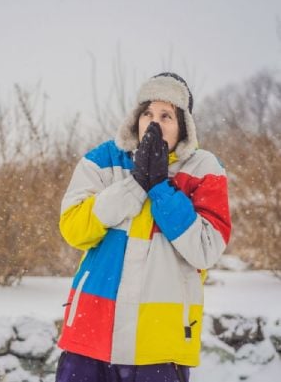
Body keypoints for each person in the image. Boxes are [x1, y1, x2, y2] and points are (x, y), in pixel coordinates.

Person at [55, 72, 231, 382]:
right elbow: (73, 229)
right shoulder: (104, 159)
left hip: (159, 344)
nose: (154, 123)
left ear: (184, 125)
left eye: (166, 116)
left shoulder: (203, 169)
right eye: (147, 113)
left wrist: (160, 188)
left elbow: (206, 249)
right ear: (135, 117)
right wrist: (135, 184)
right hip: (91, 334)